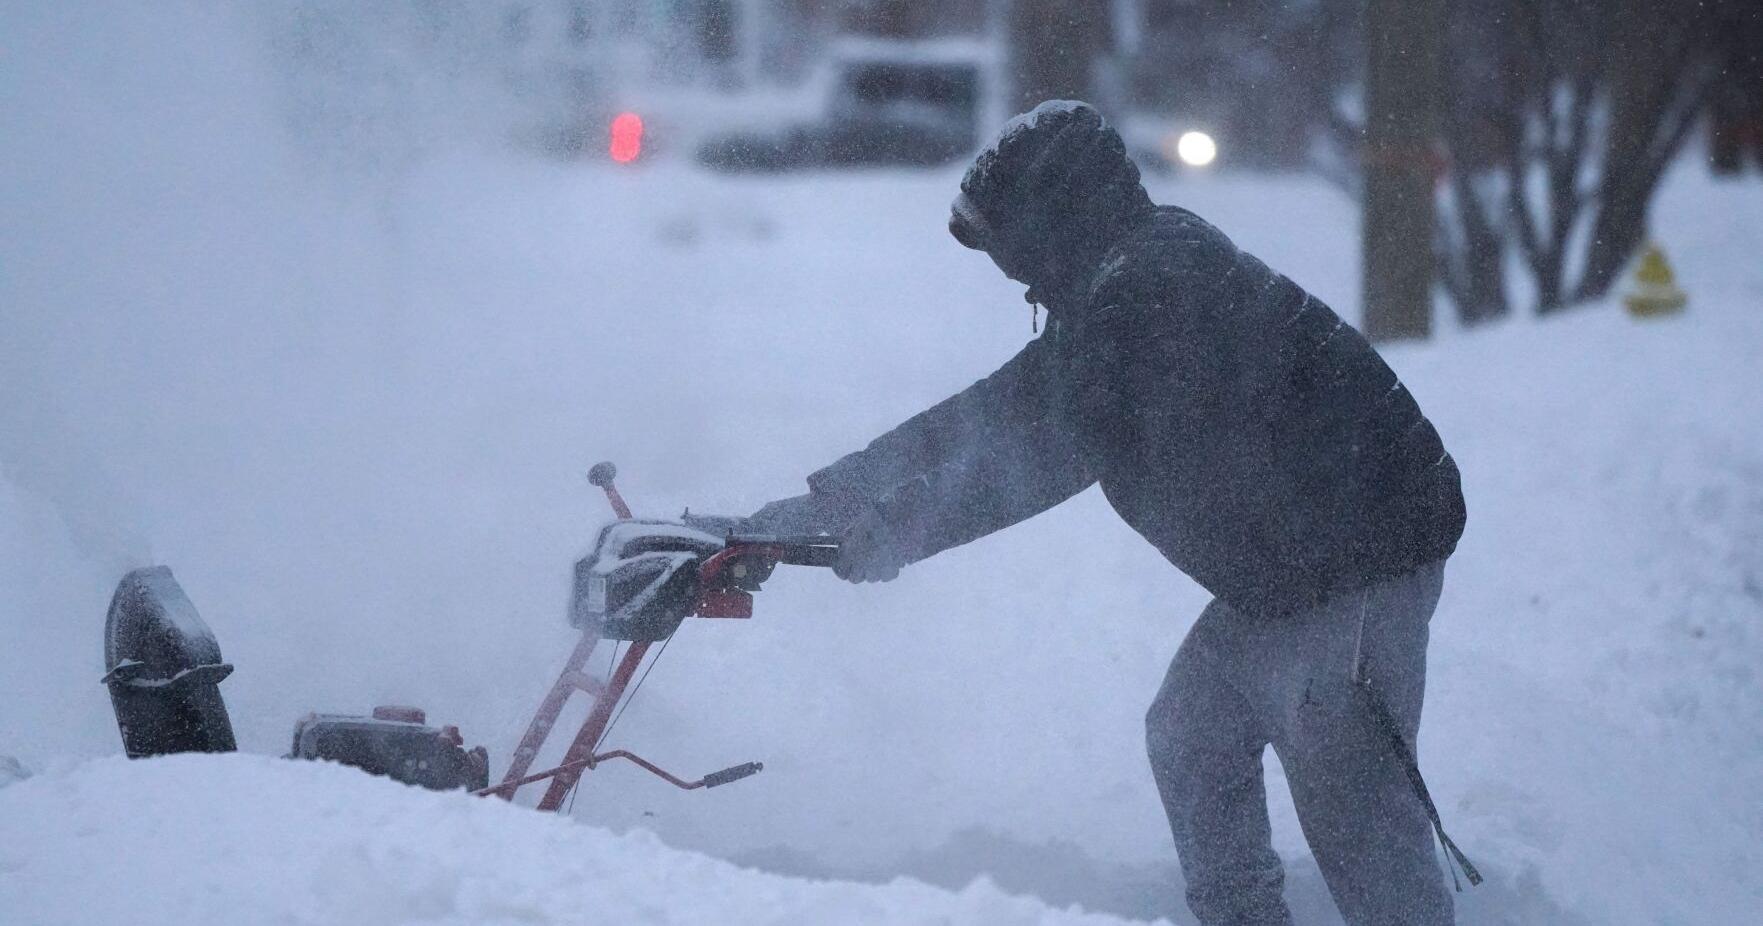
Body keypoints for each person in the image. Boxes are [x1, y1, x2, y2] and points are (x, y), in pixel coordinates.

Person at [747, 100, 1468, 926]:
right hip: (1286, 567)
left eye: (1011, 248)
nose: (1012, 275)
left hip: (1356, 558)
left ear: (1054, 219)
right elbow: (1001, 408)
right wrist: (837, 494)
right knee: (1192, 737)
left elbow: (1053, 452)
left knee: (1352, 807)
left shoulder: (1155, 287)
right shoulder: (1119, 280)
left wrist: (897, 531)